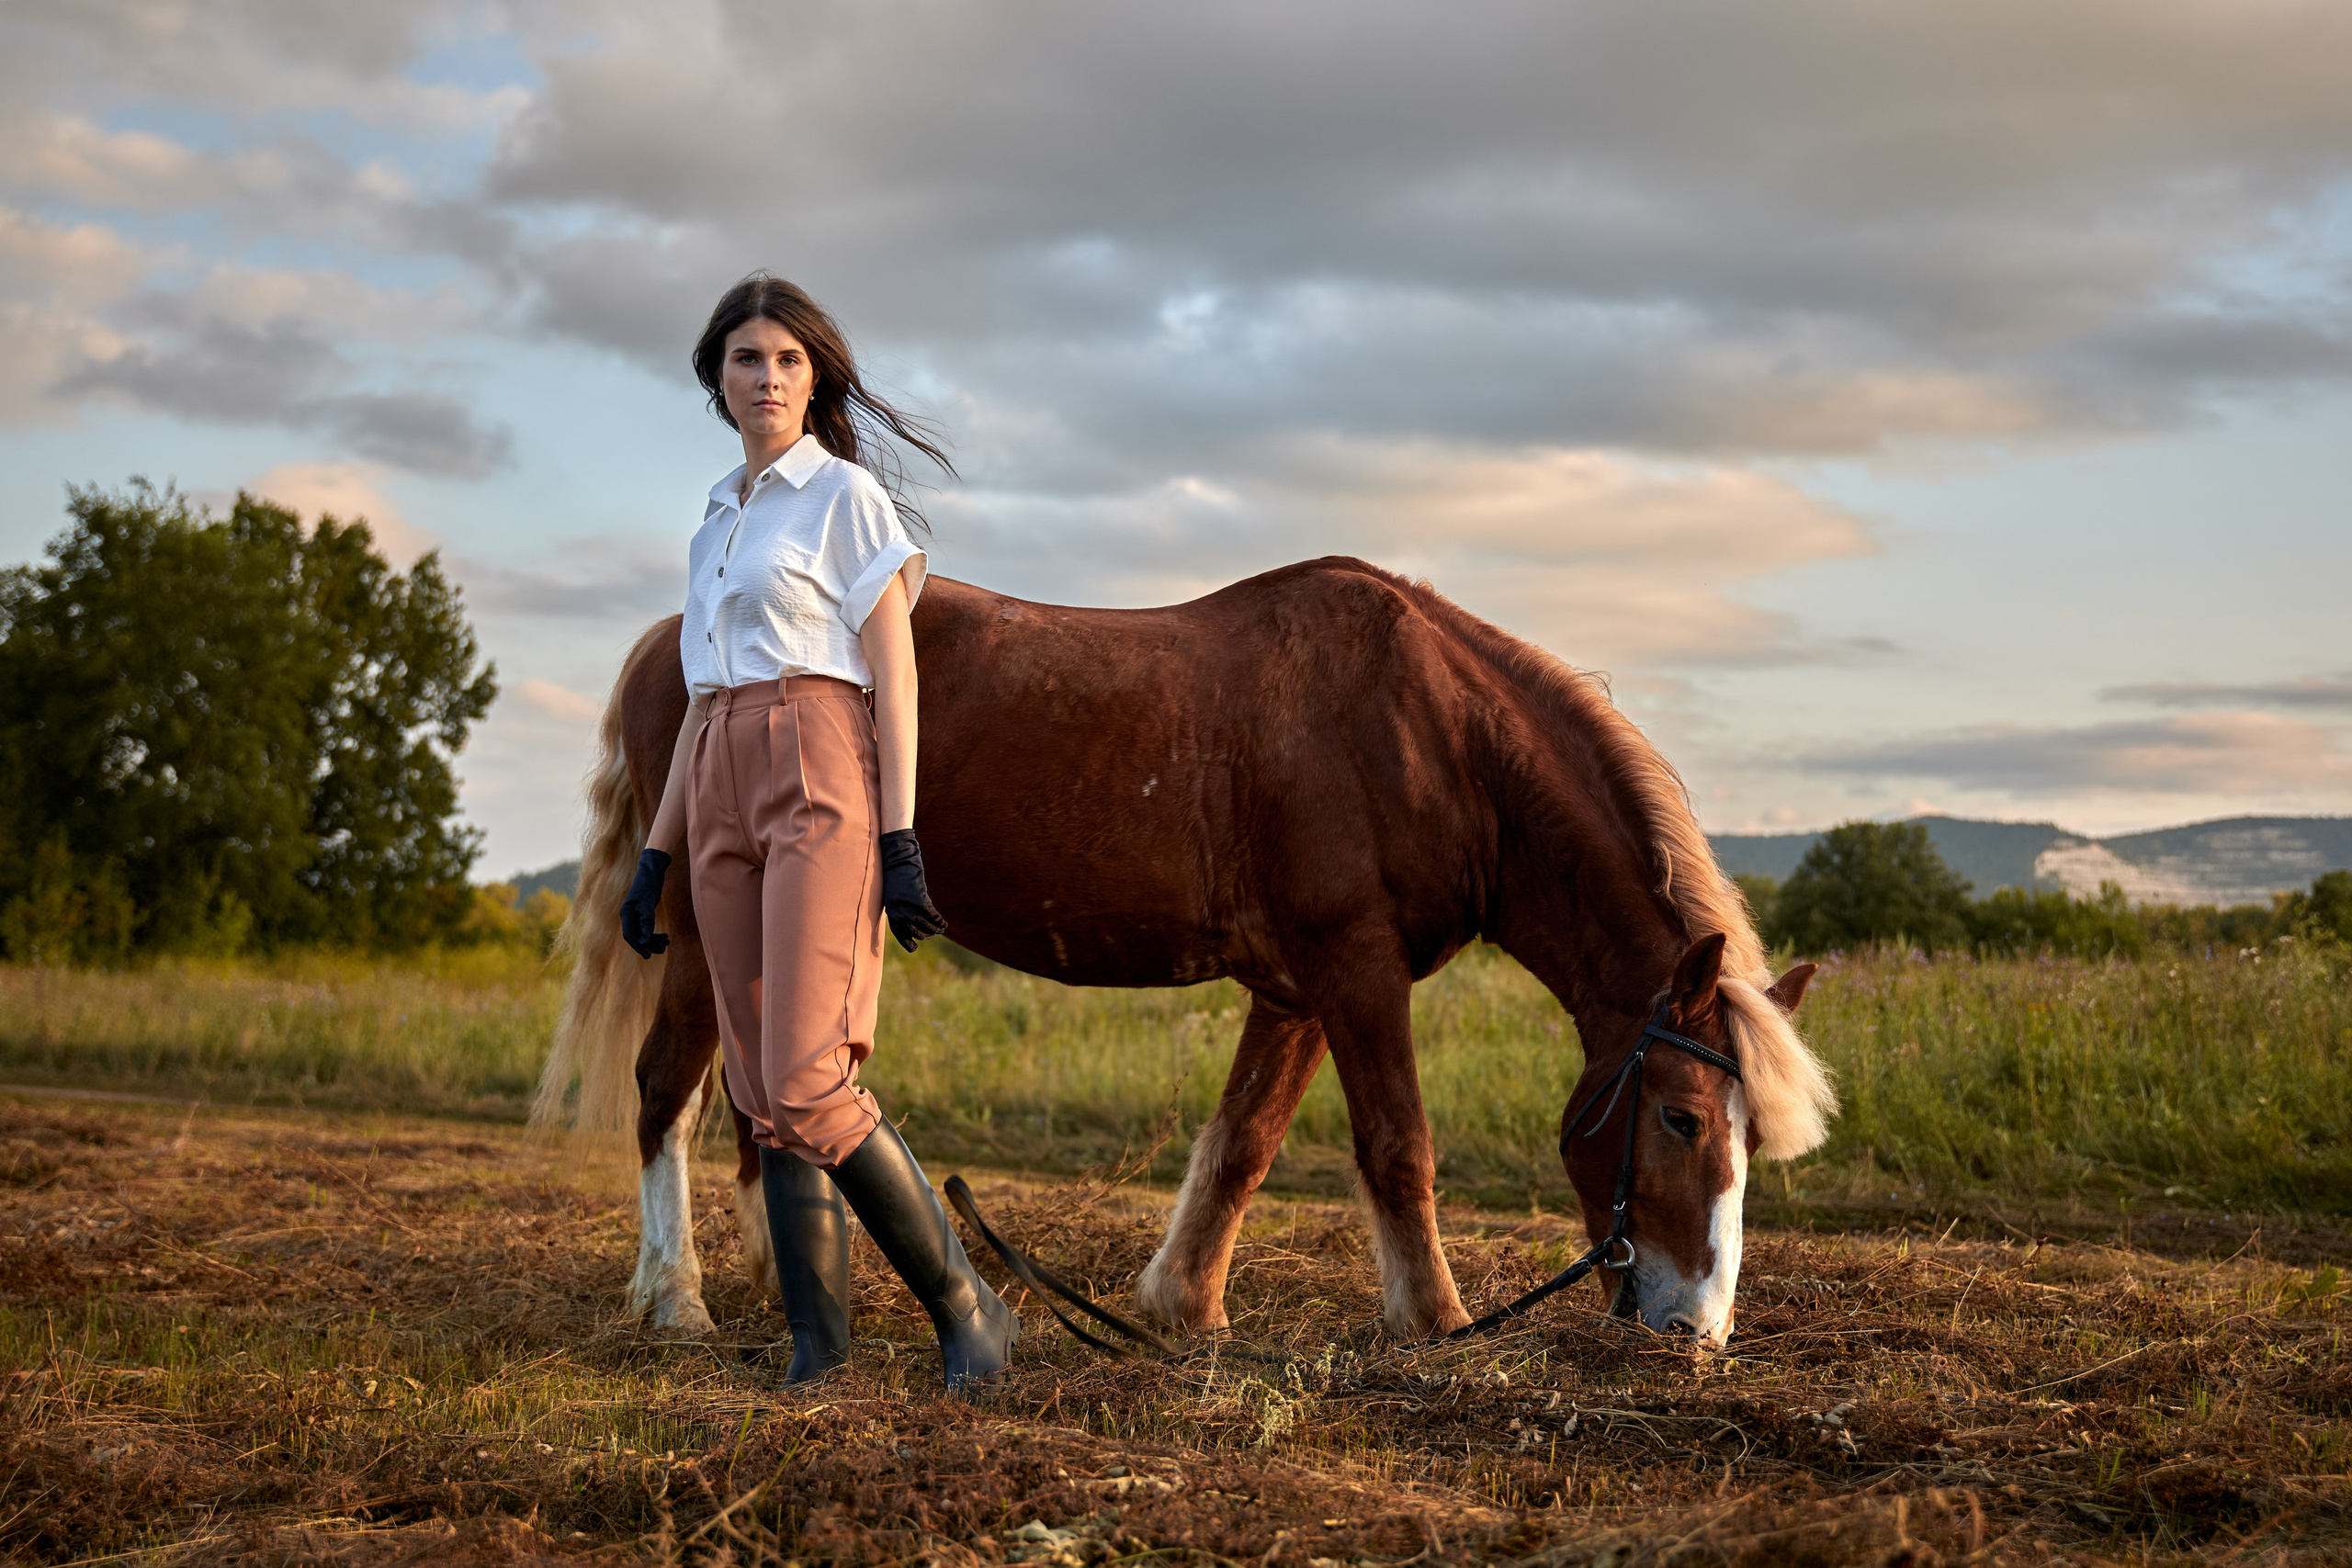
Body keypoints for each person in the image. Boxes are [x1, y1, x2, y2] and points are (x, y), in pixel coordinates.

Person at [616, 273, 1016, 1391]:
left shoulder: (843, 499)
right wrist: (655, 854)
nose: (769, 377)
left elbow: (893, 671)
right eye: (748, 359)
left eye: (790, 360)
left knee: (805, 1081)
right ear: (718, 379)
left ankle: (969, 1310)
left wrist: (899, 840)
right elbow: (699, 699)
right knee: (755, 1090)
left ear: (816, 377)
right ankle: (816, 1347)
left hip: (817, 761)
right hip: (718, 774)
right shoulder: (714, 522)